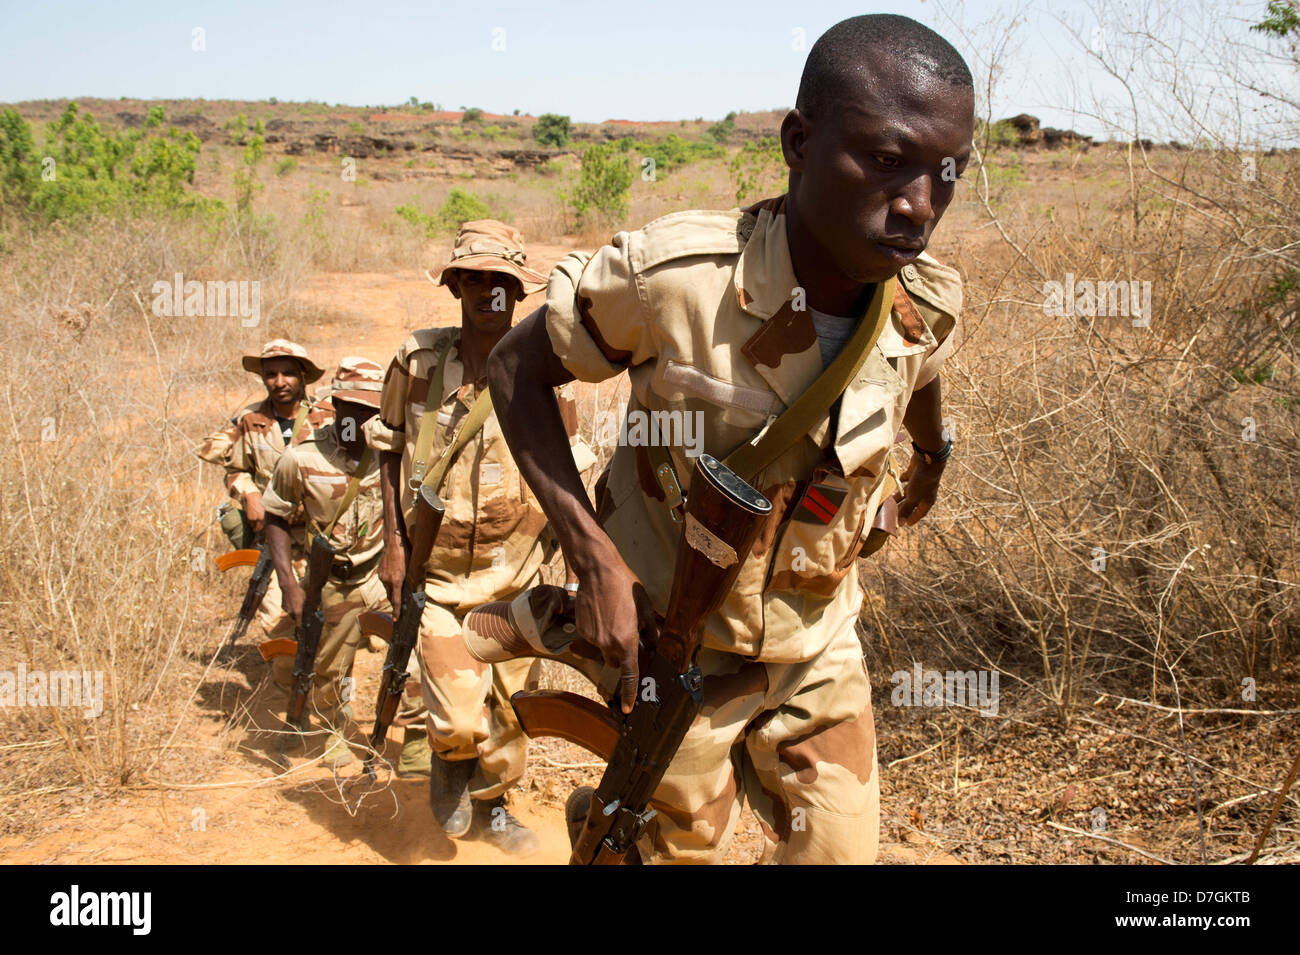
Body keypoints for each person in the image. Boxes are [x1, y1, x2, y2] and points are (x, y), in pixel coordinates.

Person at [482, 14, 972, 863]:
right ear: (799, 141)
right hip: (669, 644)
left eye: (947, 172)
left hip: (816, 642)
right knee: (674, 848)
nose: (920, 205)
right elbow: (514, 371)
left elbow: (922, 374)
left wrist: (930, 458)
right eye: (889, 161)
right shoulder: (677, 281)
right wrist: (594, 560)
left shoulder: (923, 300)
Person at [365, 220, 595, 855]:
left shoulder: (547, 374)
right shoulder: (417, 362)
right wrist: (392, 542)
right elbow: (387, 451)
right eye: (475, 280)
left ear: (519, 293)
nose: (488, 294)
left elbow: (569, 473)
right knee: (460, 718)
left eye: (502, 283)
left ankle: (496, 809)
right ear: (456, 285)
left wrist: (579, 569)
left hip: (515, 577)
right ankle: (448, 759)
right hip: (434, 578)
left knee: (508, 716)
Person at [259, 358, 390, 768]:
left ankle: (420, 744)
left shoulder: (393, 454)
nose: (364, 420)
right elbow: (275, 517)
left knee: (422, 651)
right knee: (328, 673)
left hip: (384, 577)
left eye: (373, 410)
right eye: (354, 409)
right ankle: (334, 728)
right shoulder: (301, 459)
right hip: (333, 580)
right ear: (335, 404)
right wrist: (290, 585)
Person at [214, 339, 333, 632]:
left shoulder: (329, 417)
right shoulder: (251, 420)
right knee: (277, 621)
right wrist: (250, 494)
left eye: (288, 373)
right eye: (271, 374)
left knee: (330, 618)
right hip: (274, 538)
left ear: (302, 376)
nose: (279, 382)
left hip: (321, 536)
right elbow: (235, 469)